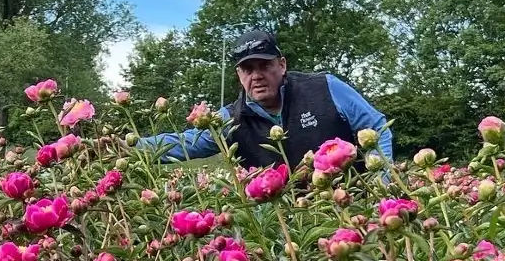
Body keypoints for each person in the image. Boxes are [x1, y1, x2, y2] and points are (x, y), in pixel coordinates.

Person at [137, 30, 393, 168]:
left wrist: (382, 184)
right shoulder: (231, 119)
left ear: (281, 65)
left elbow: (377, 128)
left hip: (351, 207)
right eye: (248, 69)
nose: (256, 76)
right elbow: (182, 144)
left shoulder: (325, 87)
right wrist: (121, 149)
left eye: (264, 66)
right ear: (239, 75)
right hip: (286, 224)